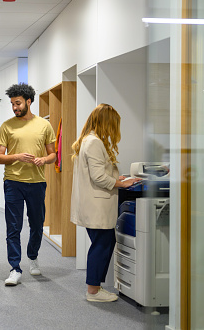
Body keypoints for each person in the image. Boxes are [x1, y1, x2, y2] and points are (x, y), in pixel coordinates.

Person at [70, 104, 140, 302]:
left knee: (103, 242)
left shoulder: (90, 140)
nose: (115, 130)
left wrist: (120, 177)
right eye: (114, 125)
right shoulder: (94, 142)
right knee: (102, 244)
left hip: (94, 204)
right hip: (97, 205)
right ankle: (93, 290)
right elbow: (99, 178)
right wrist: (121, 183)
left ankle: (95, 287)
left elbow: (99, 173)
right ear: (107, 123)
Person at [0, 83, 56, 286]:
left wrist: (44, 160)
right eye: (12, 104)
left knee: (37, 224)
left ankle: (33, 256)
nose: (15, 107)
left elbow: (53, 154)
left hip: (37, 182)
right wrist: (18, 156)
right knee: (13, 227)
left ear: (29, 101)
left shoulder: (44, 126)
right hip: (13, 182)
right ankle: (14, 268)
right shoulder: (7, 126)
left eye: (18, 103)